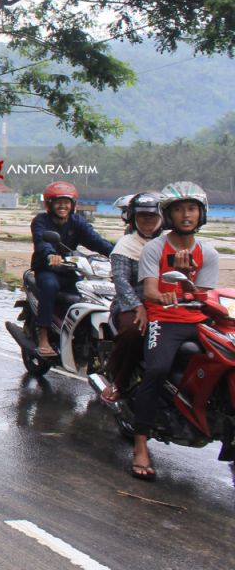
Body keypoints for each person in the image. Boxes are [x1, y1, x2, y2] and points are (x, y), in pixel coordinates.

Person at [129, 182, 220, 481]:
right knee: (156, 370)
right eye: (178, 209)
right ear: (168, 215)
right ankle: (140, 443)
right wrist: (166, 295)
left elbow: (205, 295)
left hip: (197, 322)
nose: (185, 215)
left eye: (191, 209)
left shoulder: (208, 252)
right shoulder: (155, 248)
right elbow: (151, 290)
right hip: (164, 319)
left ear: (201, 213)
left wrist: (189, 281)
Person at [29, 181, 113, 358]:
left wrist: (117, 253)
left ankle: (80, 334)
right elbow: (41, 242)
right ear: (49, 204)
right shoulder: (40, 221)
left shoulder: (77, 222)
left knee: (89, 294)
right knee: (50, 286)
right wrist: (51, 255)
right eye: (58, 202)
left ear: (73, 205)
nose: (62, 206)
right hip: (47, 270)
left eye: (66, 202)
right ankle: (43, 336)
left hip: (70, 271)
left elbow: (95, 240)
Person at [100, 191, 163, 403]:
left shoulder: (168, 242)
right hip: (129, 304)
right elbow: (120, 280)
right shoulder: (126, 244)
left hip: (163, 304)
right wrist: (138, 306)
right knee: (135, 332)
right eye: (143, 216)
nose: (148, 221)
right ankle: (119, 380)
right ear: (133, 218)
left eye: (152, 216)